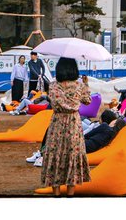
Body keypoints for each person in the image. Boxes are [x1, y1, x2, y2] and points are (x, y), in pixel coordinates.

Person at [36, 58, 92, 194]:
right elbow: (88, 101)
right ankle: (70, 192)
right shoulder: (79, 86)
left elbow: (53, 101)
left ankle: (56, 192)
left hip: (57, 122)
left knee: (56, 152)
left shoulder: (53, 85)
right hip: (73, 121)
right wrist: (86, 84)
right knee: (72, 152)